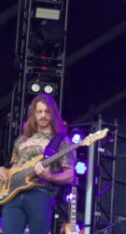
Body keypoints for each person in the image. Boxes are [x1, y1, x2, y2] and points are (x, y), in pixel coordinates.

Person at [0, 93, 75, 233]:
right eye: (39, 111)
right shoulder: (21, 140)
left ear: (53, 115)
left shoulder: (61, 141)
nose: (43, 115)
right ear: (33, 114)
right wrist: (4, 170)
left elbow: (70, 175)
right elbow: (15, 167)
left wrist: (50, 177)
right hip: (13, 196)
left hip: (40, 192)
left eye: (47, 112)